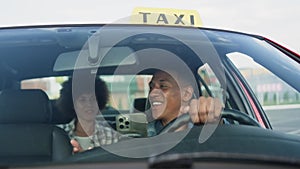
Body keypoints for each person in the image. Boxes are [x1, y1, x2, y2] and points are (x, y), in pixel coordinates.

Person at [147, 69, 223, 136]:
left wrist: (217, 123)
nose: (151, 94)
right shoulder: (143, 134)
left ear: (187, 93)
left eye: (163, 86)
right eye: (151, 87)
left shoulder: (204, 130)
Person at [56, 77, 119, 153]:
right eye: (82, 100)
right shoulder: (57, 134)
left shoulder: (112, 136)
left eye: (93, 99)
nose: (89, 104)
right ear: (72, 104)